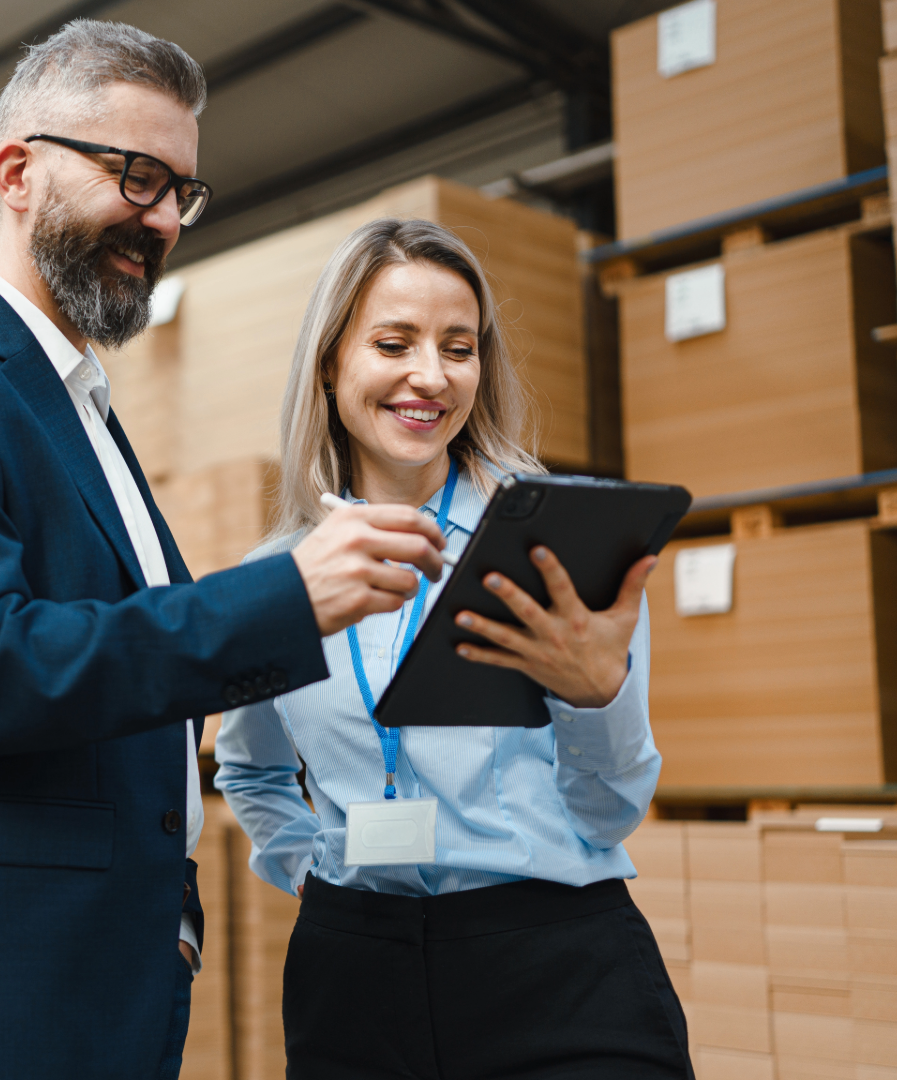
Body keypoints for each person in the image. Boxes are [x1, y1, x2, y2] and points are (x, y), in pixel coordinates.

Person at [0, 20, 455, 1080]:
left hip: (106, 976)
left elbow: (131, 705)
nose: (160, 219)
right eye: (136, 176)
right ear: (17, 172)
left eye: (181, 195)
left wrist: (178, 913)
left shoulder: (83, 411)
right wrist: (280, 599)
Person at [214, 217, 691, 1079]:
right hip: (353, 977)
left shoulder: (561, 540)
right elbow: (248, 770)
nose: (430, 376)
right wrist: (315, 870)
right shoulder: (273, 578)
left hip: (555, 958)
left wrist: (596, 698)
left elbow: (609, 813)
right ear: (330, 363)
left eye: (458, 347)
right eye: (393, 343)